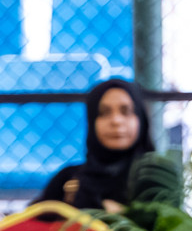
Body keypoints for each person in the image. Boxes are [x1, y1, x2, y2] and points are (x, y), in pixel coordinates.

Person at [36, 78, 155, 212]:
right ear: (92, 121)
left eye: (125, 111)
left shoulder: (157, 179)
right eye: (104, 113)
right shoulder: (67, 181)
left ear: (141, 119)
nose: (116, 121)